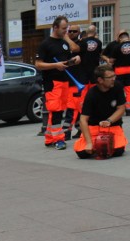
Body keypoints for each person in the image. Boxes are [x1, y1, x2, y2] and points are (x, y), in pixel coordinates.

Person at [35, 16, 81, 149]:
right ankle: (58, 139)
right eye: (63, 28)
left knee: (59, 109)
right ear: (55, 27)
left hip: (64, 81)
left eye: (67, 28)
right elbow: (38, 64)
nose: (66, 31)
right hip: (52, 82)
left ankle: (49, 137)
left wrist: (74, 59)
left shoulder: (65, 42)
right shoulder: (46, 44)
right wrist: (55, 65)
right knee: (56, 111)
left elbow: (70, 56)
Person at [73, 64, 128, 159]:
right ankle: (94, 147)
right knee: (82, 153)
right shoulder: (91, 94)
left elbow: (121, 108)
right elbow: (83, 119)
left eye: (114, 76)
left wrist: (109, 121)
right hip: (94, 127)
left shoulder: (117, 86)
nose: (113, 79)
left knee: (118, 151)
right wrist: (89, 143)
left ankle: (99, 149)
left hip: (113, 126)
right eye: (110, 77)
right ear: (100, 80)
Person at [66, 24, 103, 139]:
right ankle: (85, 128)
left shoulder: (81, 43)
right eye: (70, 31)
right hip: (93, 77)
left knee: (77, 104)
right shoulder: (99, 43)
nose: (71, 33)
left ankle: (68, 131)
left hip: (81, 78)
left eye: (74, 31)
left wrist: (66, 37)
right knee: (89, 103)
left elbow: (75, 49)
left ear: (83, 33)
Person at [103, 30, 130, 115]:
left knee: (118, 89)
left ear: (120, 38)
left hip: (118, 70)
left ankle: (118, 108)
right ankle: (129, 109)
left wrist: (111, 61)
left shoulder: (117, 47)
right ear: (128, 37)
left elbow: (111, 60)